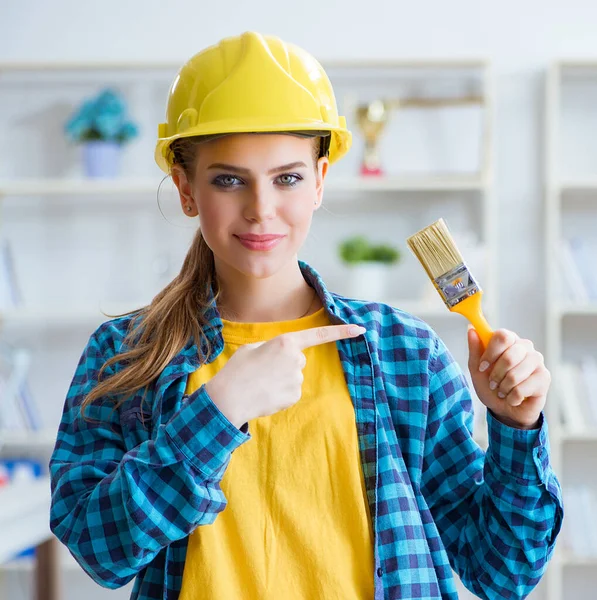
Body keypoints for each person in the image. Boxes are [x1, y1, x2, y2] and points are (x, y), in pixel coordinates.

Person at [49, 31, 563, 600]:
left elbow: (502, 572)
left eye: (287, 177)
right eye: (228, 179)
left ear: (319, 180)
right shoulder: (127, 354)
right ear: (186, 188)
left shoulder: (404, 353)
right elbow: (100, 553)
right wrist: (219, 411)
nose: (261, 209)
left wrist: (517, 428)